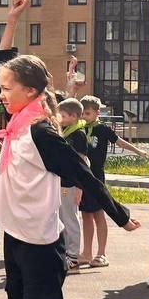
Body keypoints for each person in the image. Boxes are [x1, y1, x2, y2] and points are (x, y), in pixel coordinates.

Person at [0, 0, 139, 299]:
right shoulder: (17, 122)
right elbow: (1, 63)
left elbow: (82, 173)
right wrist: (12, 21)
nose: (0, 93)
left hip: (41, 245)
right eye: (1, 87)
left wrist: (119, 214)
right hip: (16, 239)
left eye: (8, 88)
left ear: (31, 92)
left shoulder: (39, 131)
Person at [78, 95, 148, 269]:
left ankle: (101, 253)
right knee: (85, 215)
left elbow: (120, 143)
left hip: (96, 177)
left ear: (97, 113)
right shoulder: (79, 129)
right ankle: (86, 252)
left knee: (98, 214)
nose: (84, 117)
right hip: (82, 177)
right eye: (82, 113)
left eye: (87, 113)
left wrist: (138, 151)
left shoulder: (103, 129)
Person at [56, 97, 89, 274]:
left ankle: (73, 257)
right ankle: (65, 254)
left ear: (74, 116)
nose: (60, 118)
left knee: (71, 220)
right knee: (62, 220)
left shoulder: (79, 135)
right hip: (62, 182)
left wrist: (80, 187)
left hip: (72, 184)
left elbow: (82, 162)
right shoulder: (66, 131)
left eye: (63, 115)